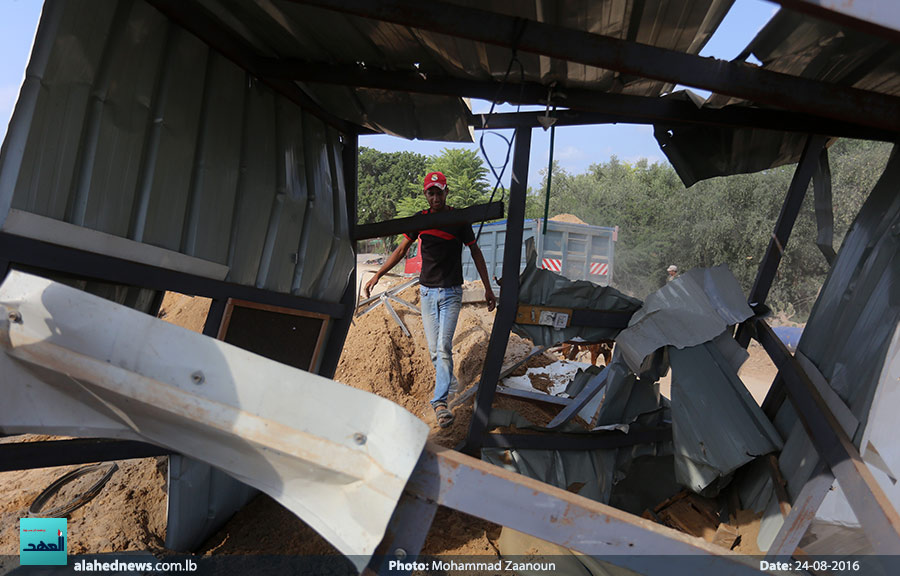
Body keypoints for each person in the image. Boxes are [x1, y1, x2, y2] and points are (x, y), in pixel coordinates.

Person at [365, 171, 496, 428]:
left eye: (439, 192)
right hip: (426, 293)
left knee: (443, 347)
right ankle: (451, 384)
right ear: (426, 195)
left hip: (451, 294)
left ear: (447, 193)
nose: (435, 197)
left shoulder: (458, 220)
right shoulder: (420, 220)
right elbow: (401, 250)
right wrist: (378, 275)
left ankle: (439, 403)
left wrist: (487, 289)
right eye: (430, 193)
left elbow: (476, 252)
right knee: (435, 350)